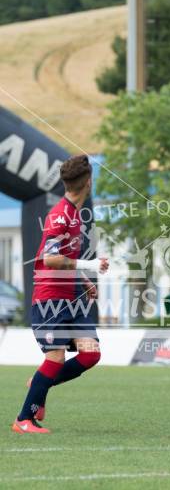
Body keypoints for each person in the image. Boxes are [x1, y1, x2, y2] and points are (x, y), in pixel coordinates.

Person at [12, 155, 109, 434]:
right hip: (49, 299)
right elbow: (50, 258)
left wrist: (82, 281)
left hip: (71, 298)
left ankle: (40, 381)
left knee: (91, 354)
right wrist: (89, 265)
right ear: (88, 182)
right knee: (55, 359)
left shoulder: (74, 215)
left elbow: (62, 258)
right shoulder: (60, 214)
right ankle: (23, 420)